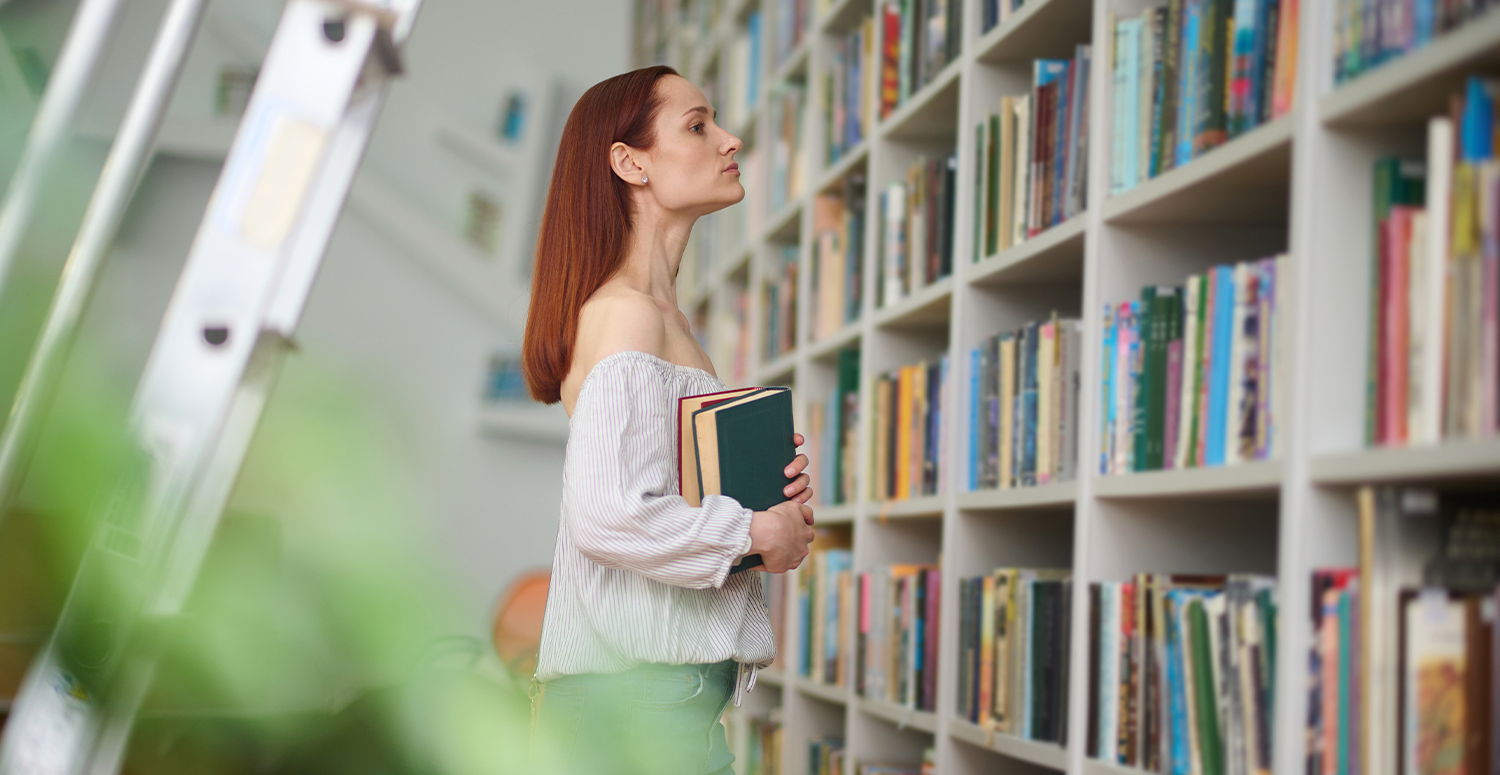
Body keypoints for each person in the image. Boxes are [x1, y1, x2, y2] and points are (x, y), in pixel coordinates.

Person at [520, 65, 818, 775]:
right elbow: (607, 515)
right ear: (630, 162)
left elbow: (659, 506)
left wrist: (773, 509)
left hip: (661, 706)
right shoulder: (626, 315)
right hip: (636, 710)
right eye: (698, 125)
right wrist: (753, 529)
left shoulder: (668, 323)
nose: (729, 138)